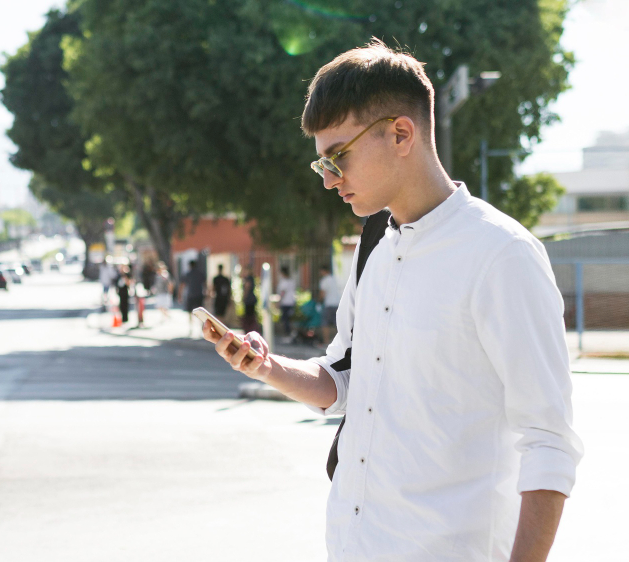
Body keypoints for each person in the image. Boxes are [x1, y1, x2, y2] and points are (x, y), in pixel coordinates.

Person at [202, 39, 582, 562]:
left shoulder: (503, 256)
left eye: (339, 157)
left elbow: (549, 443)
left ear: (401, 133)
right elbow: (347, 381)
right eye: (322, 165)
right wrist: (267, 366)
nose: (330, 180)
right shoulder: (374, 243)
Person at [179, 259, 206, 335]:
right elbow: (205, 284)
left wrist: (179, 295)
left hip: (190, 295)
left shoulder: (188, 274)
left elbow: (182, 285)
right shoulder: (200, 273)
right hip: (199, 295)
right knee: (200, 312)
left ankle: (191, 328)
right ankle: (201, 328)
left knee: (190, 312)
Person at [318, 265, 341, 345]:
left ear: (323, 271)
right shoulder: (334, 279)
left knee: (325, 323)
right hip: (337, 303)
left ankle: (326, 341)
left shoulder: (324, 280)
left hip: (329, 304)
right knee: (337, 324)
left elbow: (322, 293)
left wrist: (318, 302)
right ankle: (340, 343)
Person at [276, 266, 297, 343]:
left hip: (285, 303)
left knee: (285, 320)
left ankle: (287, 334)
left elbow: (282, 292)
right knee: (289, 319)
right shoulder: (292, 281)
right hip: (291, 302)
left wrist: (279, 301)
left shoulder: (284, 281)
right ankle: (290, 334)